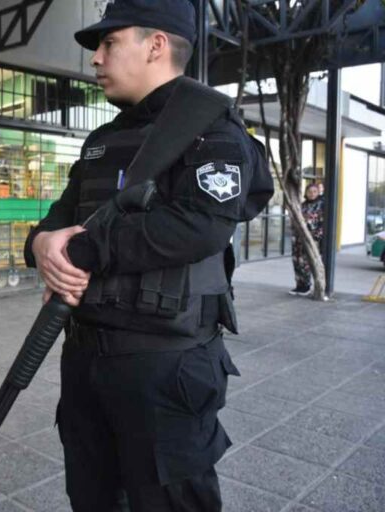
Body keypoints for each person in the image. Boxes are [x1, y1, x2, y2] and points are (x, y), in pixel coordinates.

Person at [22, 1, 273, 510]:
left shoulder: (213, 132)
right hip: (85, 358)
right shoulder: (103, 139)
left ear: (156, 45)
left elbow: (199, 227)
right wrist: (40, 244)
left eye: (109, 42)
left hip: (164, 365)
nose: (96, 58)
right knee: (91, 497)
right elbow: (60, 217)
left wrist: (80, 251)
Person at [290, 183, 324, 296]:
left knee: (306, 263)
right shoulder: (302, 205)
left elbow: (322, 224)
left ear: (318, 192)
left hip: (311, 239)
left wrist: (316, 237)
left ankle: (307, 286)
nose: (312, 194)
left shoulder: (321, 206)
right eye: (309, 191)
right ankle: (299, 285)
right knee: (297, 261)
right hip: (298, 239)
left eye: (314, 191)